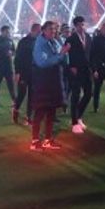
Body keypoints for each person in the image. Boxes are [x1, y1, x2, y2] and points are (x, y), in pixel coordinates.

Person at [29, 20, 68, 150]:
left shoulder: (54, 41)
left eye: (55, 29)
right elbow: (42, 63)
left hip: (53, 81)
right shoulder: (40, 44)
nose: (54, 31)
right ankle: (34, 141)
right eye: (51, 29)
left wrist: (62, 51)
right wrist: (61, 54)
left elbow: (62, 57)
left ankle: (48, 139)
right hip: (43, 81)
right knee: (40, 111)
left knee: (51, 111)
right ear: (44, 30)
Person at [65, 16, 92, 134]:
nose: (82, 27)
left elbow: (91, 53)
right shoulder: (70, 39)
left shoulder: (89, 38)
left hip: (86, 70)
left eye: (83, 24)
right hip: (75, 70)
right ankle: (74, 122)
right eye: (80, 25)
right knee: (75, 95)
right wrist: (71, 66)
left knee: (88, 93)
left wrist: (93, 68)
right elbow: (66, 54)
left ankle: (78, 116)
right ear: (75, 26)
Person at [13, 22, 40, 125]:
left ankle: (29, 117)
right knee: (22, 93)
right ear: (33, 30)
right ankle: (16, 109)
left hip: (34, 72)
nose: (40, 32)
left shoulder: (38, 41)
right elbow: (18, 58)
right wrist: (17, 72)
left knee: (32, 95)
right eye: (38, 30)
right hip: (24, 72)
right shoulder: (24, 42)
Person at [0, 24, 16, 107]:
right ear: (2, 31)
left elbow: (13, 51)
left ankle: (14, 100)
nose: (8, 33)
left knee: (11, 84)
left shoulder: (10, 40)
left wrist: (11, 53)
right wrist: (4, 53)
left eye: (9, 32)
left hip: (8, 65)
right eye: (7, 31)